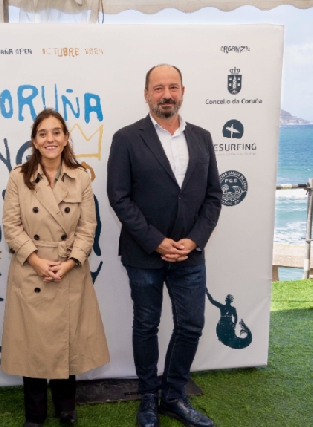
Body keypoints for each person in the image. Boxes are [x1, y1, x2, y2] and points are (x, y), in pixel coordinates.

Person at [107, 64, 222, 427]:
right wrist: (157, 242)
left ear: (183, 91)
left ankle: (173, 397)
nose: (166, 94)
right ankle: (148, 399)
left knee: (191, 325)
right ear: (146, 94)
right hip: (144, 254)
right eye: (159, 88)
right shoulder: (126, 138)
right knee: (146, 324)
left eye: (173, 87)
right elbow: (119, 197)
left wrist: (194, 240)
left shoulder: (202, 137)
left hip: (190, 253)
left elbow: (213, 196)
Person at [1, 109, 110, 427]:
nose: (50, 139)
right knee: (33, 348)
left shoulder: (81, 177)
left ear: (65, 139)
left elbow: (88, 228)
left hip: (69, 271)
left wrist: (71, 262)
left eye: (56, 133)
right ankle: (34, 416)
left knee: (68, 344)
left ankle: (67, 409)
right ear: (34, 140)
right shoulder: (18, 176)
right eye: (43, 133)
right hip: (30, 269)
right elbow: (11, 225)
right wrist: (35, 260)